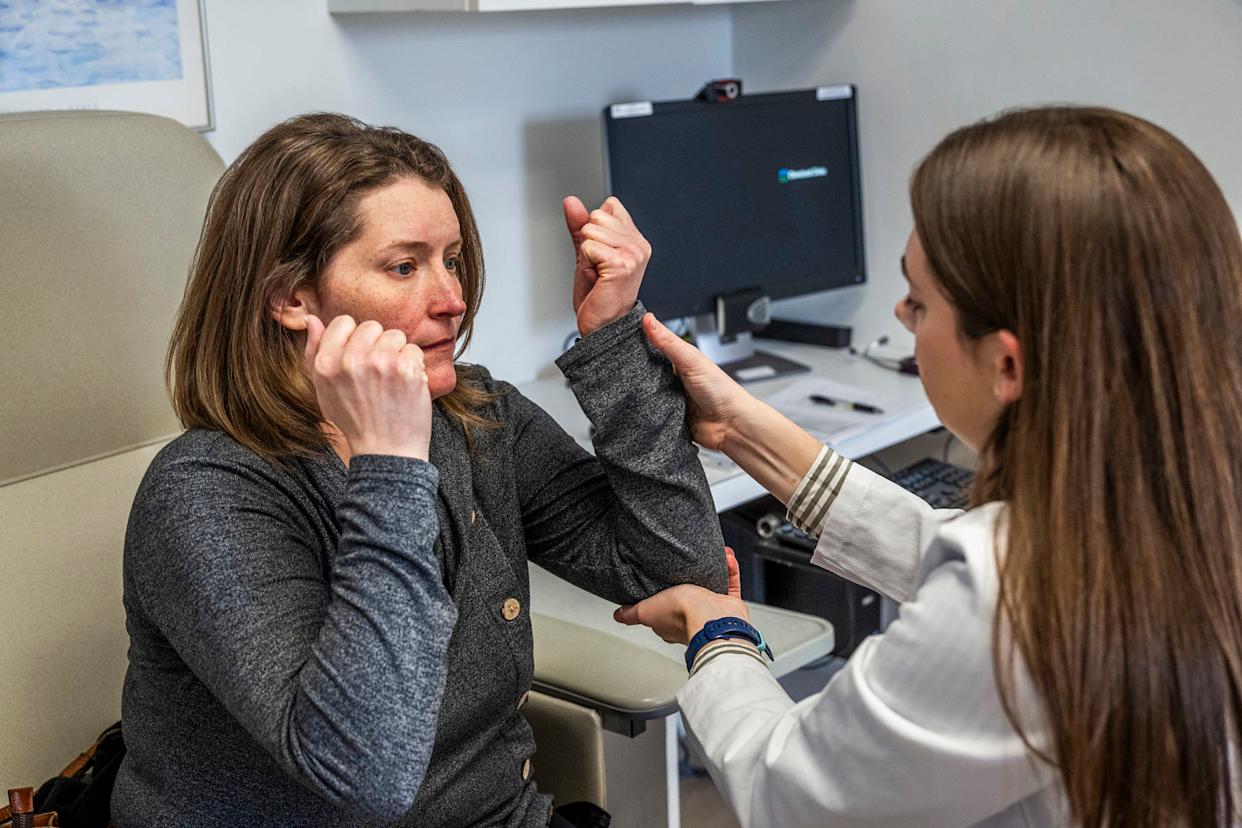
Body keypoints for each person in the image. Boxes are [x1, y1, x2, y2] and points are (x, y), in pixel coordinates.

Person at [616, 105, 1242, 828]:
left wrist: (719, 632)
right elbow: (958, 554)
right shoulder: (1188, 503)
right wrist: (742, 429)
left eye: (920, 300)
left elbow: (789, 797)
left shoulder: (1009, 595)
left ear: (1008, 363)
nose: (901, 312)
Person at [112, 113, 726, 827]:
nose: (452, 298)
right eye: (405, 266)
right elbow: (363, 771)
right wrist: (391, 464)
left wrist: (614, 340)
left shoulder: (475, 417)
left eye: (452, 259)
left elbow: (682, 570)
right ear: (292, 299)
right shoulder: (207, 493)